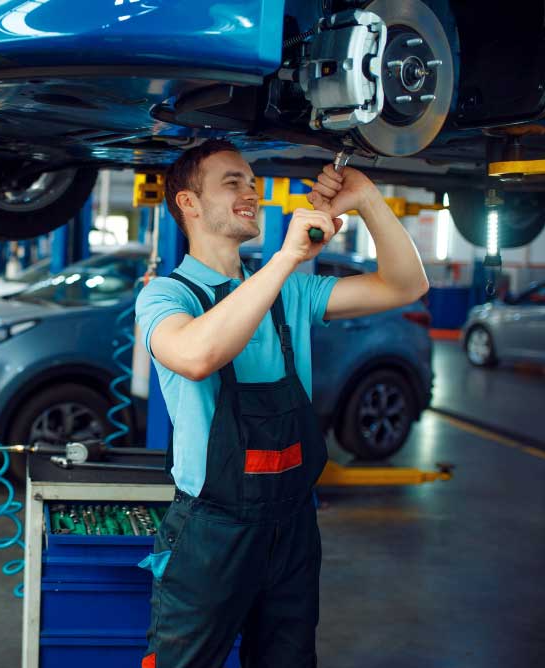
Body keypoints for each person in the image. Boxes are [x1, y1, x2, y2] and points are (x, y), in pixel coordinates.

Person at [135, 139, 428, 668]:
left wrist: (365, 197)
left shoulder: (290, 295)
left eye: (252, 181)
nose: (252, 192)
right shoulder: (166, 297)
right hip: (211, 533)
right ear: (189, 203)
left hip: (293, 526)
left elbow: (406, 285)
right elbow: (198, 354)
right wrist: (288, 257)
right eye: (232, 183)